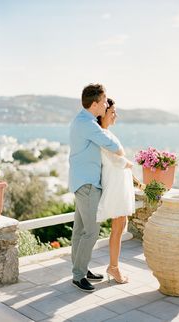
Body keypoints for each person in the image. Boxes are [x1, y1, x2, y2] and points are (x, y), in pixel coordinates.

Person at [69, 84, 123, 293]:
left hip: (81, 182)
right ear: (94, 104)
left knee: (80, 231)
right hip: (88, 184)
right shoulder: (89, 125)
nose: (105, 104)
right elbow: (115, 148)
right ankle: (78, 275)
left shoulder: (82, 120)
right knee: (91, 231)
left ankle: (80, 269)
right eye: (103, 102)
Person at [96, 98, 135, 284]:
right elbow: (116, 160)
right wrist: (129, 163)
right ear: (103, 114)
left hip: (120, 184)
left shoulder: (107, 133)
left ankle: (114, 266)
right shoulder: (102, 135)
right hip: (115, 186)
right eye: (112, 112)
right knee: (118, 227)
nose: (115, 115)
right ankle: (114, 267)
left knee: (120, 225)